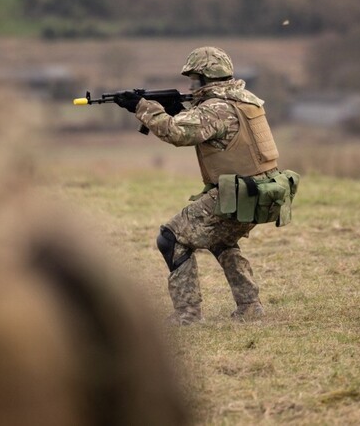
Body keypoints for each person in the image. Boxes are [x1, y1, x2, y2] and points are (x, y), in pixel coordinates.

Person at [0, 0, 190, 424]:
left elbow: (182, 131)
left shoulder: (50, 262)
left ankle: (210, 310)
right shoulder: (51, 263)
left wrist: (145, 106)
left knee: (179, 237)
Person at [113, 46, 298, 325]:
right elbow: (214, 130)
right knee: (222, 240)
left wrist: (142, 107)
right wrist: (181, 111)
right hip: (261, 194)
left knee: (171, 239)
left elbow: (176, 133)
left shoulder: (215, 109)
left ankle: (187, 315)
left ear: (205, 78)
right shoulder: (245, 99)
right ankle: (249, 307)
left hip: (238, 194)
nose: (191, 85)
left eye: (194, 79)